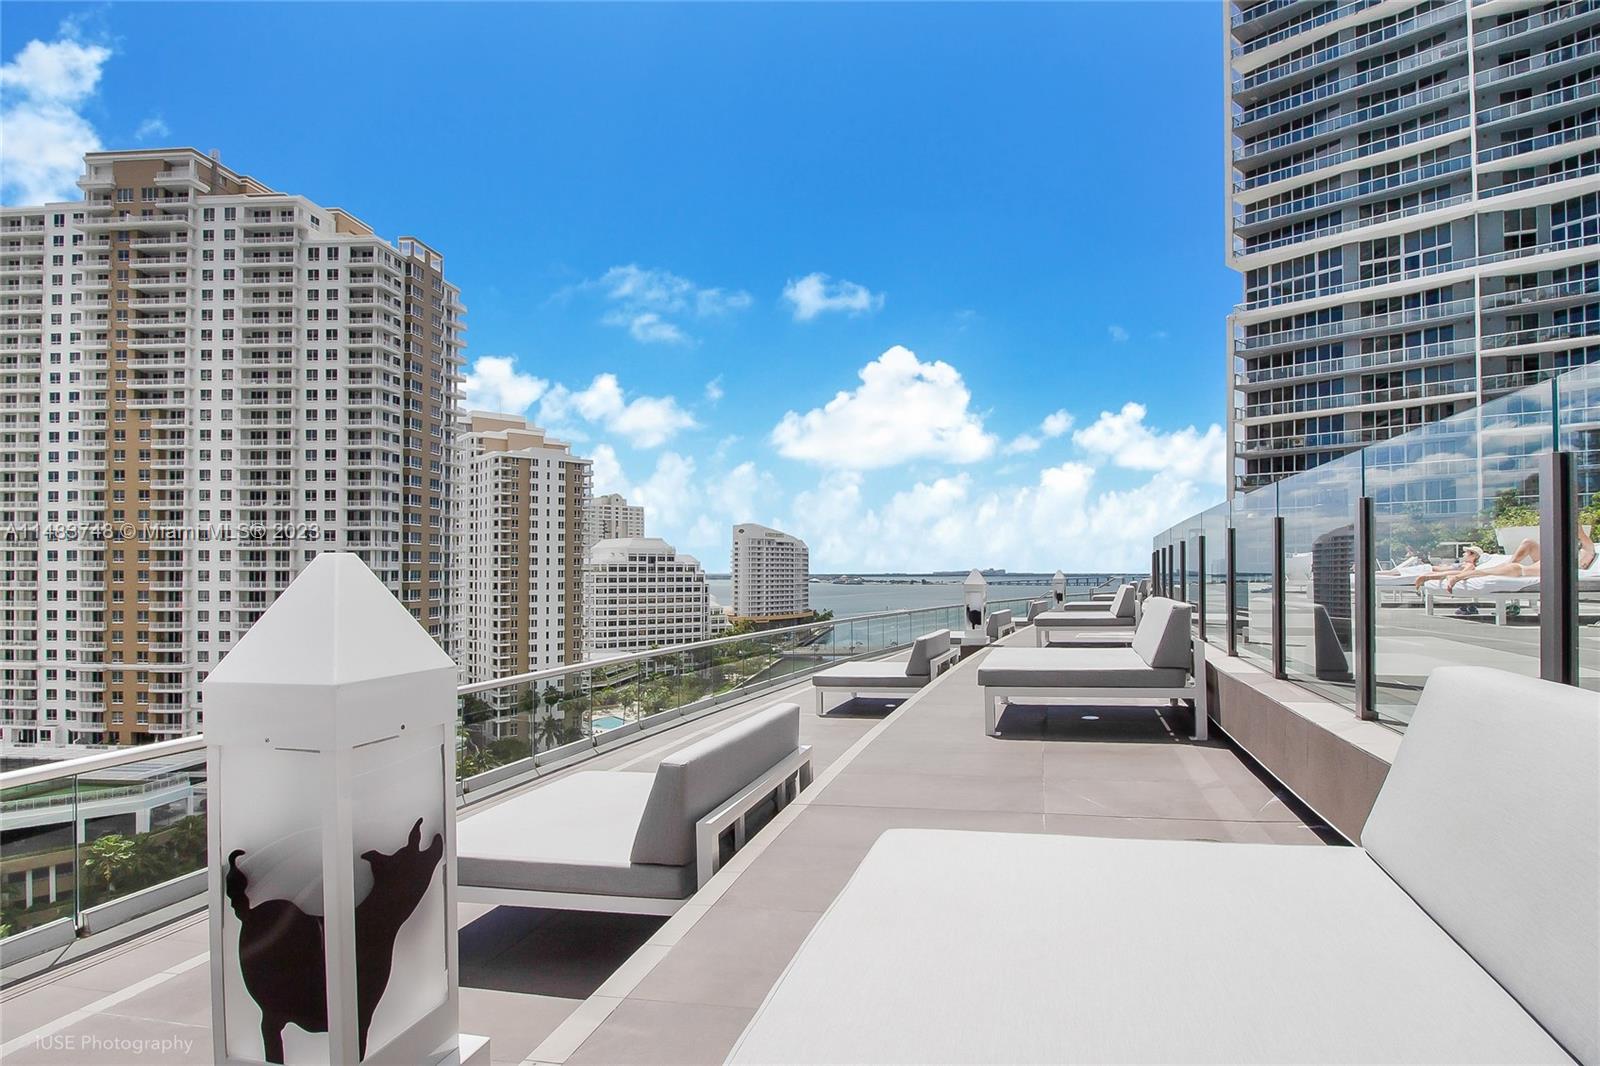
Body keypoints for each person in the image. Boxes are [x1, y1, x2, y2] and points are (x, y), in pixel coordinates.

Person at [1442, 526, 1597, 591]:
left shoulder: (1583, 555)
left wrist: (1575, 525)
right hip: (1541, 564)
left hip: (1525, 570)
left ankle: (1457, 577)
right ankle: (1508, 563)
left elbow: (1583, 536)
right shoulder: (1564, 555)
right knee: (1528, 542)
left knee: (1506, 569)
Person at [1412, 545, 1485, 590]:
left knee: (1405, 573)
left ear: (1473, 555)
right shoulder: (1465, 564)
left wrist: (1429, 576)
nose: (1463, 554)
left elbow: (1462, 573)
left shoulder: (1470, 565)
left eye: (1466, 552)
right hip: (1428, 569)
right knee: (1405, 572)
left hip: (1428, 570)